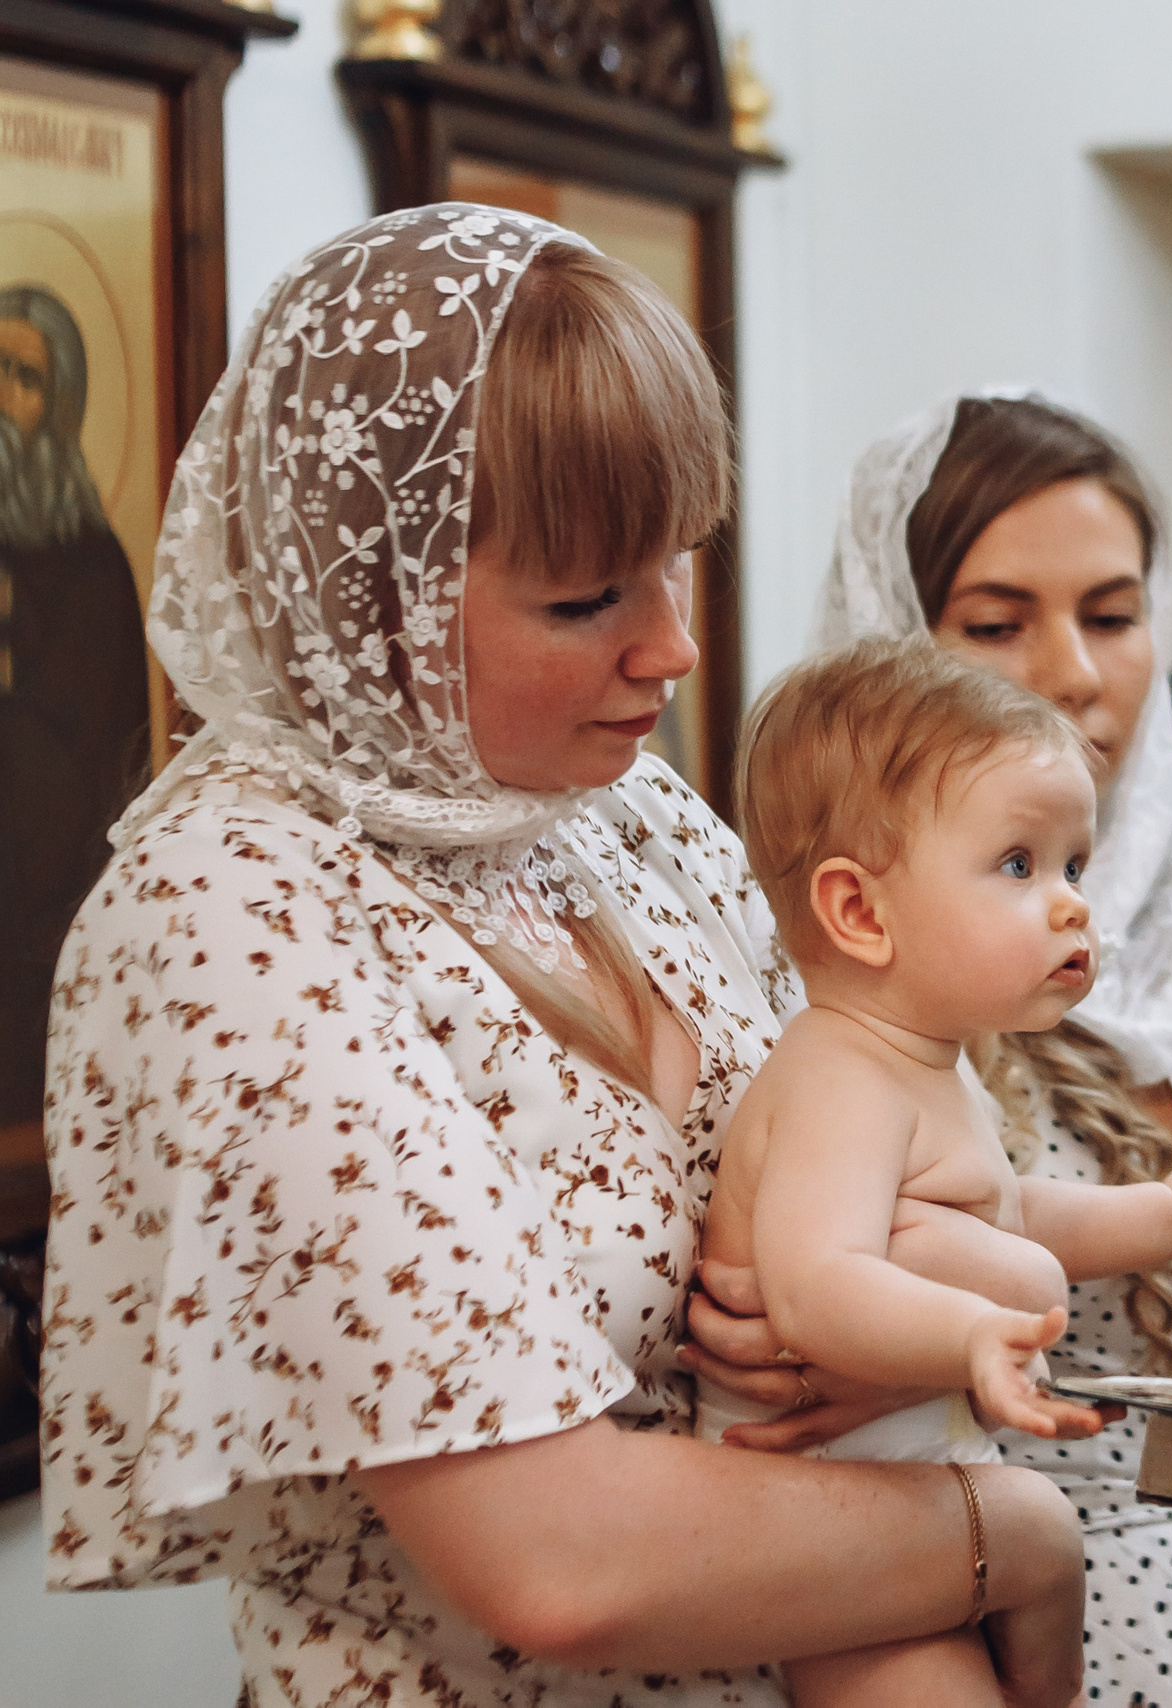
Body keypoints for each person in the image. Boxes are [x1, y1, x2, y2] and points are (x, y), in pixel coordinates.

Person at [38, 205, 1088, 1708]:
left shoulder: (612, 811)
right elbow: (560, 1562)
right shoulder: (232, 908)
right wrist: (1017, 1534)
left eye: (674, 565)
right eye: (588, 598)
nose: (674, 649)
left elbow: (851, 1163)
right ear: (369, 589)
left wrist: (858, 1314)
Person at [689, 391, 1172, 1707]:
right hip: (994, 1608)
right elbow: (812, 1304)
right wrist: (920, 1339)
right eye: (998, 625)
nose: (1073, 672)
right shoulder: (847, 1004)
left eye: (1113, 616)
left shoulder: (1166, 944)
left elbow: (1033, 1217)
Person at [701, 635, 1172, 1705]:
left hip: (915, 1488)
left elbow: (1014, 1213)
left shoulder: (926, 1064)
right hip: (827, 1508)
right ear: (860, 913)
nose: (1070, 906)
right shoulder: (838, 1079)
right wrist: (966, 1335)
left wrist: (1164, 1212)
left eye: (1073, 866)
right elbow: (815, 1283)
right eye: (1019, 865)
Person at [0, 281, 150, 1138]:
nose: (1, 395)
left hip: (44, 925)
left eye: (23, 376)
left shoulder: (92, 568)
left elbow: (99, 762)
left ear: (60, 406)